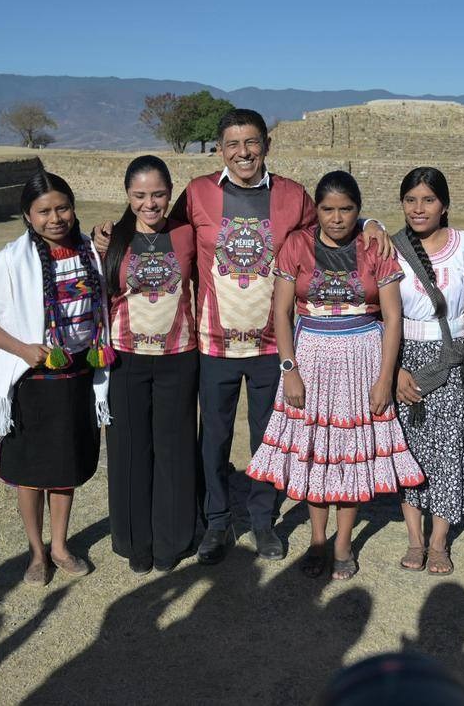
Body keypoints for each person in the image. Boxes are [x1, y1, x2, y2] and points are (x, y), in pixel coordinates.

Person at [94, 108, 390, 565]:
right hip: (213, 345)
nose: (243, 152)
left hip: (273, 346)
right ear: (220, 149)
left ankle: (262, 520)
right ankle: (215, 521)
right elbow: (156, 225)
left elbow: (333, 223)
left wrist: (371, 223)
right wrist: (111, 235)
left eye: (251, 142)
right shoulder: (198, 194)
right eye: (233, 144)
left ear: (266, 145)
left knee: (266, 439)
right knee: (213, 438)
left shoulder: (292, 195)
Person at [246, 171, 424, 580]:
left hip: (362, 360)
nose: (337, 218)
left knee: (348, 453)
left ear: (359, 211)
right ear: (317, 210)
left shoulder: (374, 247)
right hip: (310, 360)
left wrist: (384, 378)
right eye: (328, 209)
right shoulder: (296, 245)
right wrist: (289, 370)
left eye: (347, 209)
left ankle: (343, 544)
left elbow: (392, 318)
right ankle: (317, 540)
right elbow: (282, 313)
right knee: (316, 452)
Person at [0, 171, 111, 586]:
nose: (55, 218)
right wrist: (23, 349)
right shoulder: (6, 264)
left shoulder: (92, 252)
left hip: (78, 377)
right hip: (30, 382)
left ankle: (60, 546)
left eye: (62, 208)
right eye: (44, 211)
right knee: (30, 473)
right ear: (27, 216)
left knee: (65, 467)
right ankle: (36, 552)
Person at [103, 155, 198, 574]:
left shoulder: (187, 233)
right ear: (128, 195)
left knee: (174, 451)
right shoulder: (112, 239)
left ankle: (171, 540)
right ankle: (134, 541)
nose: (150, 204)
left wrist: (369, 223)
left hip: (178, 356)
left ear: (170, 193)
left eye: (158, 194)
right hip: (125, 359)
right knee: (129, 450)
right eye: (140, 195)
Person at [390, 167, 464, 575]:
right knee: (409, 446)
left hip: (451, 357)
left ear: (444, 205)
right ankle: (415, 539)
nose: (418, 208)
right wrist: (394, 370)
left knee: (448, 447)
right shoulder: (391, 247)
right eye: (410, 200)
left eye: (428, 200)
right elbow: (382, 311)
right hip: (404, 356)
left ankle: (439, 541)